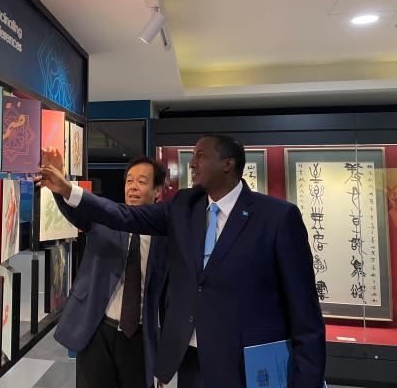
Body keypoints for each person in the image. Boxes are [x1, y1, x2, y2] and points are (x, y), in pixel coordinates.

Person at [38, 135, 326, 388]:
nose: (192, 164)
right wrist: (67, 189)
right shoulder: (184, 207)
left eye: (201, 155)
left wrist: (308, 379)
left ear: (227, 164)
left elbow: (304, 310)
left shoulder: (277, 217)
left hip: (243, 362)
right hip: (189, 358)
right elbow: (122, 215)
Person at [51, 155, 169, 388]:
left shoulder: (166, 236)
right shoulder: (106, 218)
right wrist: (61, 186)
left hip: (139, 337)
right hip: (97, 330)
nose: (133, 187)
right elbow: (75, 210)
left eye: (142, 181)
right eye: (129, 181)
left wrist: (164, 356)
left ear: (157, 191)